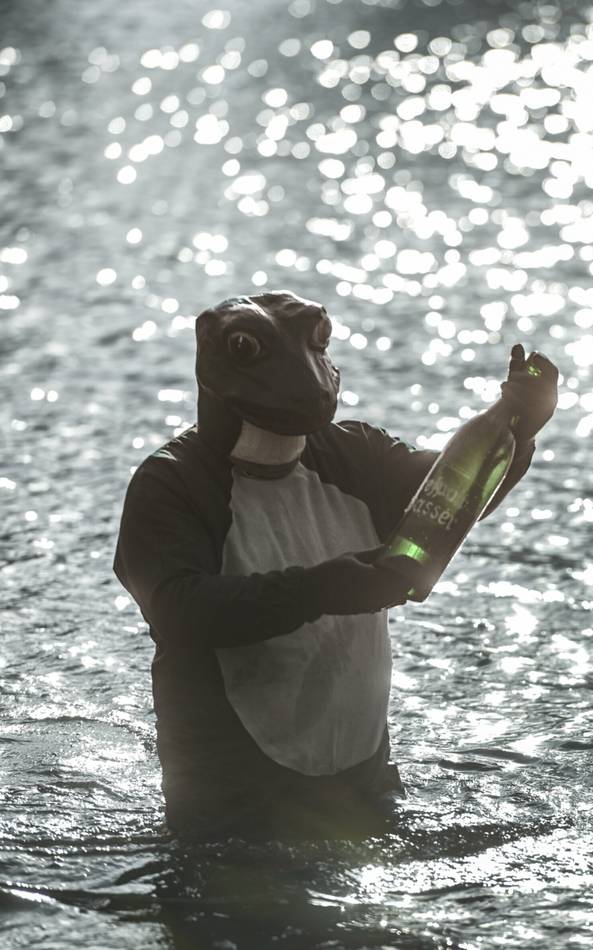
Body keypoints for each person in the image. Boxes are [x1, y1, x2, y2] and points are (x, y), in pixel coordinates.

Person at [113, 290, 558, 839]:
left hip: (362, 780)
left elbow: (450, 501)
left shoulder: (355, 453)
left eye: (318, 347)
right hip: (231, 799)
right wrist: (325, 589)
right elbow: (181, 611)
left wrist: (518, 429)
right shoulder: (172, 484)